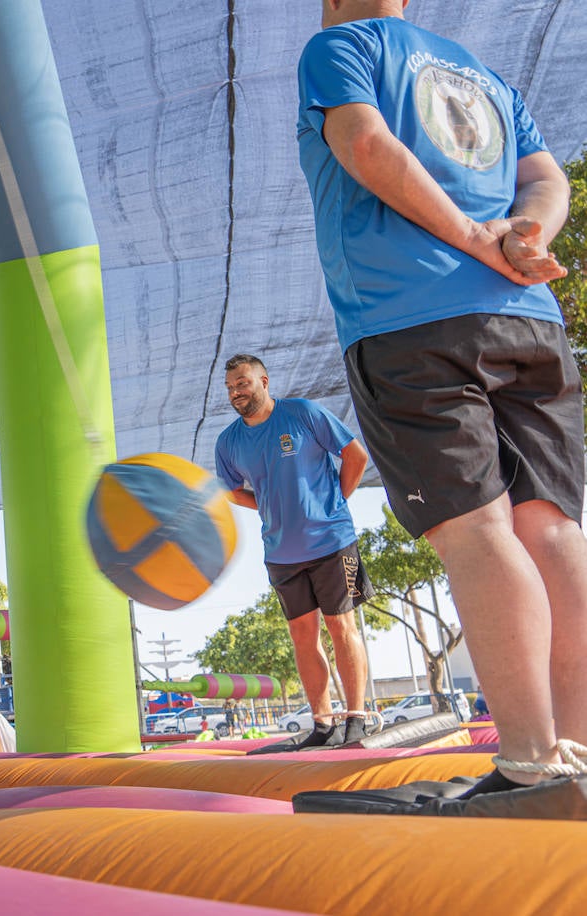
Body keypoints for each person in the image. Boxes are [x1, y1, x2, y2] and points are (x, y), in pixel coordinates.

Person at [297, 0, 587, 795]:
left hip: (410, 319)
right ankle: (578, 754)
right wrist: (524, 236)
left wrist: (468, 235)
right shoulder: (483, 76)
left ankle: (531, 761)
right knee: (553, 531)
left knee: (478, 531)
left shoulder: (339, 47)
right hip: (527, 320)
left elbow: (363, 142)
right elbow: (543, 178)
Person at [215, 354, 375, 748]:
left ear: (264, 381)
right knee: (303, 638)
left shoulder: (303, 413)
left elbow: (356, 455)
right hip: (281, 553)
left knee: (342, 627)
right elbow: (230, 490)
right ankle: (323, 725)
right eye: (231, 387)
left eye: (243, 382)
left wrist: (336, 502)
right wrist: (269, 507)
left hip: (333, 541)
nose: (237, 392)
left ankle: (356, 718)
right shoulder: (229, 442)